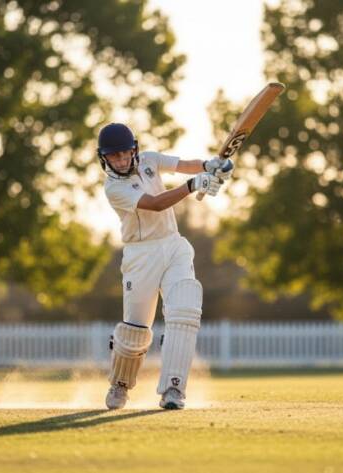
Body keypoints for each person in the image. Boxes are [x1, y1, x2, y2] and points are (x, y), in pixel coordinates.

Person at [97, 122, 233, 410]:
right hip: (140, 256)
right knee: (135, 331)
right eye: (113, 157)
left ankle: (173, 389)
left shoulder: (149, 160)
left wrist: (210, 165)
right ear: (104, 158)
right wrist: (193, 184)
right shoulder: (114, 187)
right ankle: (120, 385)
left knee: (184, 310)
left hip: (173, 245)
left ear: (134, 149)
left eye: (124, 154)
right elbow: (157, 204)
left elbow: (185, 164)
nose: (120, 161)